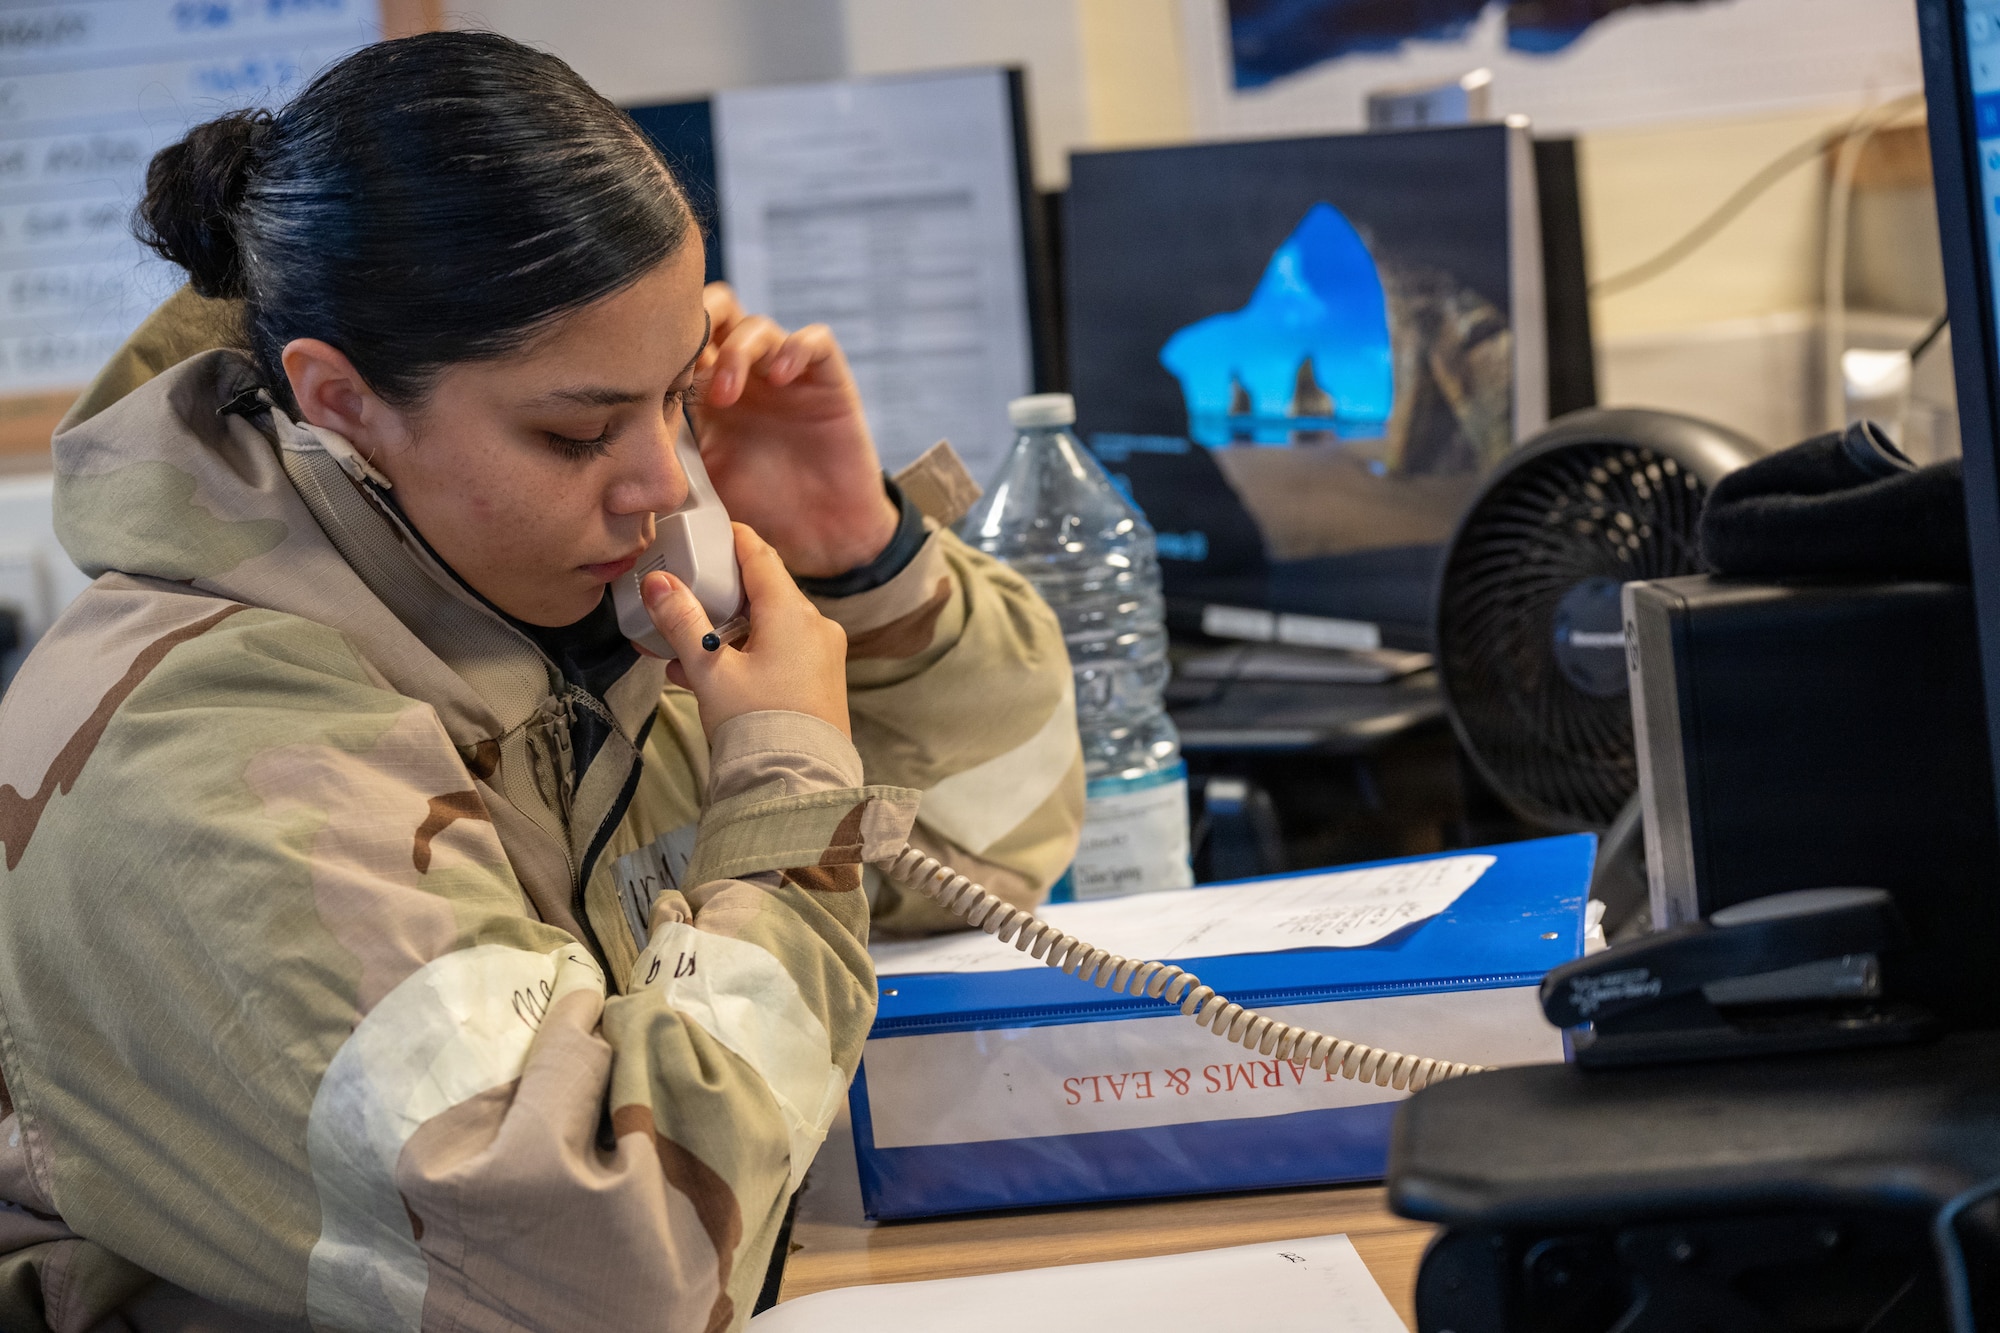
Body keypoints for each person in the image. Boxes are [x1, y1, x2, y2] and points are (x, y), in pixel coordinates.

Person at [0, 31, 1081, 1333]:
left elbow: (990, 848)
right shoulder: (208, 758)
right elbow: (613, 1271)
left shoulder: (534, 606)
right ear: (338, 400)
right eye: (578, 431)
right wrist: (787, 786)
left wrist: (863, 559)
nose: (663, 482)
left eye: (677, 398)